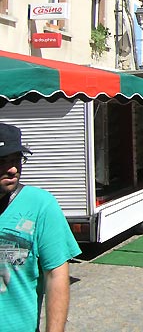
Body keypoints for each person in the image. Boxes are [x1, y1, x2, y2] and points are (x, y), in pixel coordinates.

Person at [0, 122, 82, 332]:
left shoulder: (41, 205)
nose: (12, 169)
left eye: (17, 160)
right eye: (2, 161)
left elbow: (55, 275)